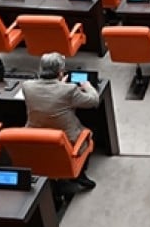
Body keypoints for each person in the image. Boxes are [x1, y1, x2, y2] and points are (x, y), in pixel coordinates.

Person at [21, 52, 100, 189]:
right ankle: (78, 174)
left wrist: (59, 84)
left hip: (35, 137)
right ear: (60, 72)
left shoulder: (27, 86)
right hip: (67, 140)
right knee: (90, 133)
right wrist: (87, 86)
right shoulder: (69, 90)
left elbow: (47, 94)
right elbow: (93, 101)